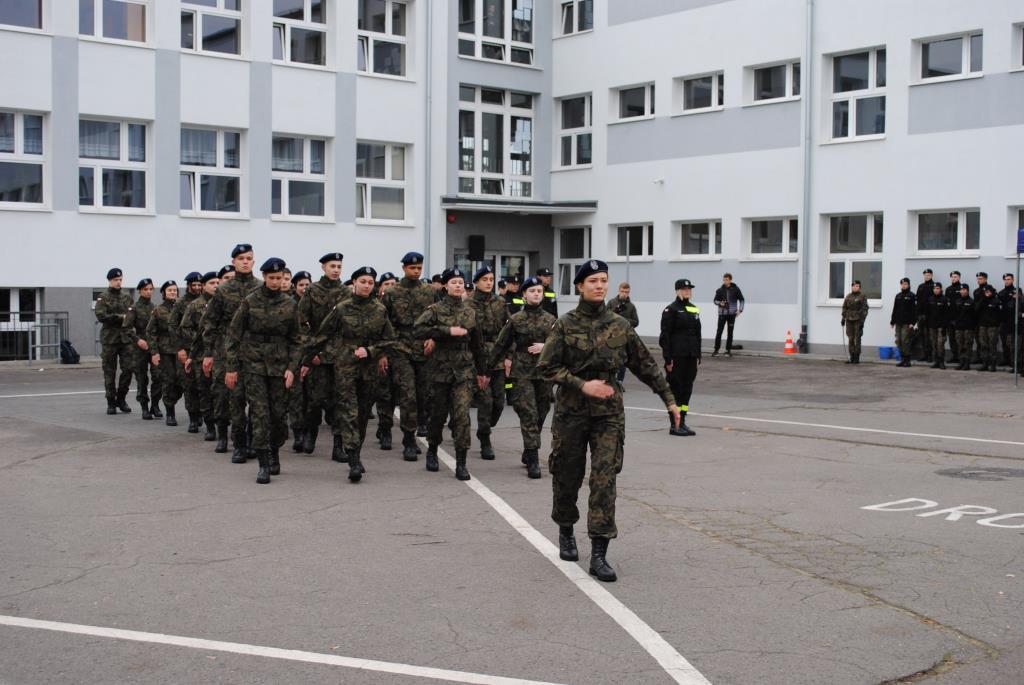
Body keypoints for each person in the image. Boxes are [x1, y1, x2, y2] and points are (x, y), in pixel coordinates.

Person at [539, 259, 680, 583]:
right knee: (567, 475)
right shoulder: (564, 324)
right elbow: (546, 367)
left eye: (603, 280)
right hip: (572, 412)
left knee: (604, 479)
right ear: (580, 286)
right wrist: (581, 384)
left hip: (609, 414)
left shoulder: (620, 325)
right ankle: (566, 529)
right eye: (593, 280)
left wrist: (669, 400)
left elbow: (646, 365)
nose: (599, 285)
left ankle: (599, 553)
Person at [304, 266, 396, 482]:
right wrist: (307, 359)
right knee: (348, 411)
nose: (366, 286)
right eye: (362, 281)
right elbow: (322, 335)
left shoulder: (379, 310)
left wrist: (371, 351)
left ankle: (357, 451)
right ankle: (353, 459)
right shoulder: (342, 309)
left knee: (363, 414)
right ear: (354, 283)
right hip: (345, 365)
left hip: (369, 368)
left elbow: (390, 340)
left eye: (370, 282)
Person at [225, 258, 303, 485]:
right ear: (265, 277)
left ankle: (274, 450)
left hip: (279, 366)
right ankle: (263, 463)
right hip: (254, 365)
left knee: (278, 415)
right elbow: (233, 336)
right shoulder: (250, 301)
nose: (276, 282)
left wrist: (292, 368)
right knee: (260, 414)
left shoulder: (290, 304)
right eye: (272, 278)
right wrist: (231, 368)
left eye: (279, 278)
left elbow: (297, 340)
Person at [414, 268, 488, 481]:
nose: (457, 286)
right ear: (446, 285)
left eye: (460, 282)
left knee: (462, 415)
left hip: (464, 371)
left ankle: (461, 463)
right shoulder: (435, 310)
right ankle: (432, 450)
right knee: (437, 415)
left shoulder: (470, 312)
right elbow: (417, 330)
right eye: (453, 282)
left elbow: (478, 343)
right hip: (440, 370)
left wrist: (482, 371)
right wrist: (445, 331)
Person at [488, 276, 556, 479]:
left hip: (543, 373)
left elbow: (562, 344)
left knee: (542, 411)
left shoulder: (551, 320)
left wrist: (546, 346)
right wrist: (486, 370)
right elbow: (501, 345)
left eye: (539, 291)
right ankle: (533, 458)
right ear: (524, 295)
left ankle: (528, 449)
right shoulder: (516, 319)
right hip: (522, 373)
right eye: (532, 291)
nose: (536, 294)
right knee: (529, 413)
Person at [202, 244, 262, 462]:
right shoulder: (223, 290)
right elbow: (211, 322)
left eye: (248, 258)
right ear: (233, 262)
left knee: (256, 400)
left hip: (256, 352)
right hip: (228, 351)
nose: (245, 262)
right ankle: (236, 442)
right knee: (230, 398)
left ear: (253, 261)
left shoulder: (261, 287)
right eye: (241, 258)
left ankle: (253, 440)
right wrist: (208, 353)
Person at [383, 252, 437, 459]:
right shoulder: (392, 292)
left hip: (423, 349)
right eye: (412, 268)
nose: (416, 271)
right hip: (401, 348)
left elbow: (437, 318)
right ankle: (408, 439)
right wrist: (385, 351)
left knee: (424, 395)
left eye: (419, 268)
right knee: (408, 395)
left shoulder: (429, 291)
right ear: (404, 268)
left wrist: (433, 338)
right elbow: (384, 323)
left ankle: (419, 426)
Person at [297, 252, 350, 461]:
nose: (336, 270)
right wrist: (311, 353)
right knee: (315, 400)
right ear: (323, 268)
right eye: (332, 266)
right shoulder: (312, 291)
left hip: (340, 355)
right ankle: (311, 433)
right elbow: (302, 323)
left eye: (339, 266)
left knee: (340, 401)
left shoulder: (346, 292)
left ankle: (338, 446)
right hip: (317, 353)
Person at [467, 266, 509, 460]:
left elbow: (509, 330)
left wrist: (509, 356)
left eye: (491, 279)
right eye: (484, 279)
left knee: (499, 402)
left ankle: (486, 426)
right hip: (477, 358)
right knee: (485, 401)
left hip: (497, 358)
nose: (489, 282)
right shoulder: (468, 303)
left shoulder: (500, 302)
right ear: (476, 282)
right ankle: (485, 439)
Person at [180, 272, 219, 442]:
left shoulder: (222, 303)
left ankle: (222, 423)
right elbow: (185, 327)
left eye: (217, 282)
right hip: (201, 354)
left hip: (221, 354)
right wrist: (200, 341)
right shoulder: (195, 305)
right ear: (204, 286)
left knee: (220, 392)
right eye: (212, 283)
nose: (216, 285)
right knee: (203, 390)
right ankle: (209, 425)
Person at [660, 279, 701, 436]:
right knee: (675, 390)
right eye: (684, 289)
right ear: (677, 291)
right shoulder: (670, 310)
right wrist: (667, 359)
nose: (687, 291)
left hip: (691, 356)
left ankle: (682, 421)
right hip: (677, 357)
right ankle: (674, 425)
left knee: (686, 390)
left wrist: (698, 355)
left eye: (689, 289)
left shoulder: (693, 308)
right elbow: (665, 336)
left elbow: (697, 333)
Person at [94, 268, 136, 415]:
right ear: (110, 281)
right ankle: (111, 401)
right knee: (109, 371)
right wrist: (120, 317)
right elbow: (101, 316)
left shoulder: (127, 297)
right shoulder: (103, 297)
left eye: (120, 280)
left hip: (125, 338)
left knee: (129, 369)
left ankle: (121, 398)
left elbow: (132, 314)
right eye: (115, 280)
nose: (118, 282)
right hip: (110, 339)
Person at [146, 281, 183, 426]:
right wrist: (154, 352)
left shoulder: (183, 307)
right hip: (166, 351)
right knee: (169, 381)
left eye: (175, 290)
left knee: (182, 382)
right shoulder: (158, 310)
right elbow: (151, 332)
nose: (173, 292)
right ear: (164, 293)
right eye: (170, 290)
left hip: (181, 350)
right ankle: (170, 413)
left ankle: (171, 401)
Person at [172, 272, 203, 434]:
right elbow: (173, 327)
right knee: (189, 386)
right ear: (188, 286)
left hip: (203, 350)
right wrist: (180, 348)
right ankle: (193, 418)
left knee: (203, 385)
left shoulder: (207, 301)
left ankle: (202, 413)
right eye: (194, 285)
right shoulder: (180, 303)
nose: (197, 287)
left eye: (199, 285)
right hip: (187, 349)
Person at [373, 271, 400, 450]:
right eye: (386, 284)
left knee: (398, 392)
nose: (390, 287)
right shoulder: (376, 306)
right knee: (384, 393)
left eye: (393, 284)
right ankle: (385, 429)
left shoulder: (401, 302)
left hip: (401, 352)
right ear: (380, 288)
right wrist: (380, 353)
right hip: (383, 353)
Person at [126, 278, 159, 418]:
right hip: (139, 348)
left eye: (151, 289)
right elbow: (126, 328)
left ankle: (155, 405)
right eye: (145, 289)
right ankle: (144, 407)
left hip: (154, 346)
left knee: (158, 376)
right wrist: (137, 340)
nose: (148, 292)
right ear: (140, 291)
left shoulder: (155, 308)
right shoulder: (134, 308)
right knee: (142, 378)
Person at [288, 270, 312, 452]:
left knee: (311, 398)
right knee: (295, 397)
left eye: (307, 284)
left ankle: (310, 431)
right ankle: (298, 433)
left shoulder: (315, 303)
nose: (304, 288)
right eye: (301, 285)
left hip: (312, 355)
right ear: (295, 287)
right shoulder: (290, 304)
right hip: (294, 356)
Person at [712, 273, 744, 357]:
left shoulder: (736, 289)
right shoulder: (720, 290)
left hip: (732, 315)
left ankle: (728, 350)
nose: (725, 281)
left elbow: (742, 300)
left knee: (730, 332)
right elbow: (715, 301)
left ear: (730, 280)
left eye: (726, 280)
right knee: (719, 332)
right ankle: (716, 350)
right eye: (724, 280)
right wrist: (720, 303)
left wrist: (740, 310)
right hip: (722, 314)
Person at [889, 277, 917, 367]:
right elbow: (895, 309)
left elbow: (914, 310)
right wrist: (892, 321)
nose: (904, 286)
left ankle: (907, 360)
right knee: (898, 341)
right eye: (902, 284)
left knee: (905, 341)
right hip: (898, 322)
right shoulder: (898, 296)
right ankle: (902, 359)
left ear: (908, 285)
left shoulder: (912, 296)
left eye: (905, 284)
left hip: (907, 323)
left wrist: (913, 322)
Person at [924, 282, 951, 369]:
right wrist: (927, 324)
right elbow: (927, 313)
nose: (936, 290)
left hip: (941, 326)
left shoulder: (944, 299)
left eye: (938, 288)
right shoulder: (930, 299)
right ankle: (936, 361)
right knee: (934, 344)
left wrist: (944, 327)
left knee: (940, 344)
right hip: (932, 326)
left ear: (941, 289)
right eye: (935, 288)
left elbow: (947, 315)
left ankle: (941, 362)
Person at [975, 284, 1001, 372]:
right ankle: (985, 364)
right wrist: (983, 298)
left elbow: (1000, 314)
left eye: (988, 292)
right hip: (983, 326)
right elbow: (976, 309)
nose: (987, 293)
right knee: (983, 345)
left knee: (992, 345)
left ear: (992, 292)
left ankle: (993, 365)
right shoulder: (982, 301)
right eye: (985, 292)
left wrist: (997, 323)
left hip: (993, 327)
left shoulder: (996, 301)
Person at [841, 280, 869, 364]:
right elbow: (844, 307)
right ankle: (852, 356)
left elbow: (865, 309)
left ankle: (857, 356)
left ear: (859, 287)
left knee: (857, 338)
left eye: (857, 286)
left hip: (858, 320)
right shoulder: (848, 296)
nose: (855, 287)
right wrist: (843, 318)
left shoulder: (862, 296)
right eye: (853, 286)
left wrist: (862, 322)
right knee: (850, 338)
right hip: (849, 320)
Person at [951, 284, 976, 370]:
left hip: (968, 328)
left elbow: (974, 315)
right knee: (960, 345)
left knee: (967, 345)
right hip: (959, 327)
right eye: (961, 290)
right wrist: (955, 323)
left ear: (967, 291)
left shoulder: (971, 301)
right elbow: (954, 313)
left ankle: (967, 363)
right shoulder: (957, 301)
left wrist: (972, 326)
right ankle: (961, 362)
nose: (962, 291)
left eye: (964, 290)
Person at [915, 269, 935, 362]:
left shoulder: (934, 286)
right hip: (920, 315)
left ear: (931, 275)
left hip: (929, 316)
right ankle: (924, 355)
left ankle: (930, 355)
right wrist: (917, 314)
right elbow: (917, 301)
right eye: (925, 275)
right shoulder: (921, 286)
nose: (927, 276)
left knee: (929, 337)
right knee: (922, 335)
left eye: (928, 275)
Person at [998, 274, 1018, 367]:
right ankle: (1006, 359)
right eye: (1005, 279)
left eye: (1009, 279)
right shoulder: (1001, 292)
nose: (1007, 281)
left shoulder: (1016, 291)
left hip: (1012, 321)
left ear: (1013, 280)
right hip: (1003, 321)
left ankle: (1013, 361)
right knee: (1004, 341)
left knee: (1011, 343)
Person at [945, 271, 965, 364]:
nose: (954, 278)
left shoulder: (962, 288)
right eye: (952, 277)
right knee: (952, 339)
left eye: (956, 277)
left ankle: (962, 357)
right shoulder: (948, 289)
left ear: (959, 278)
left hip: (959, 319)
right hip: (950, 318)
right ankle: (955, 356)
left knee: (960, 339)